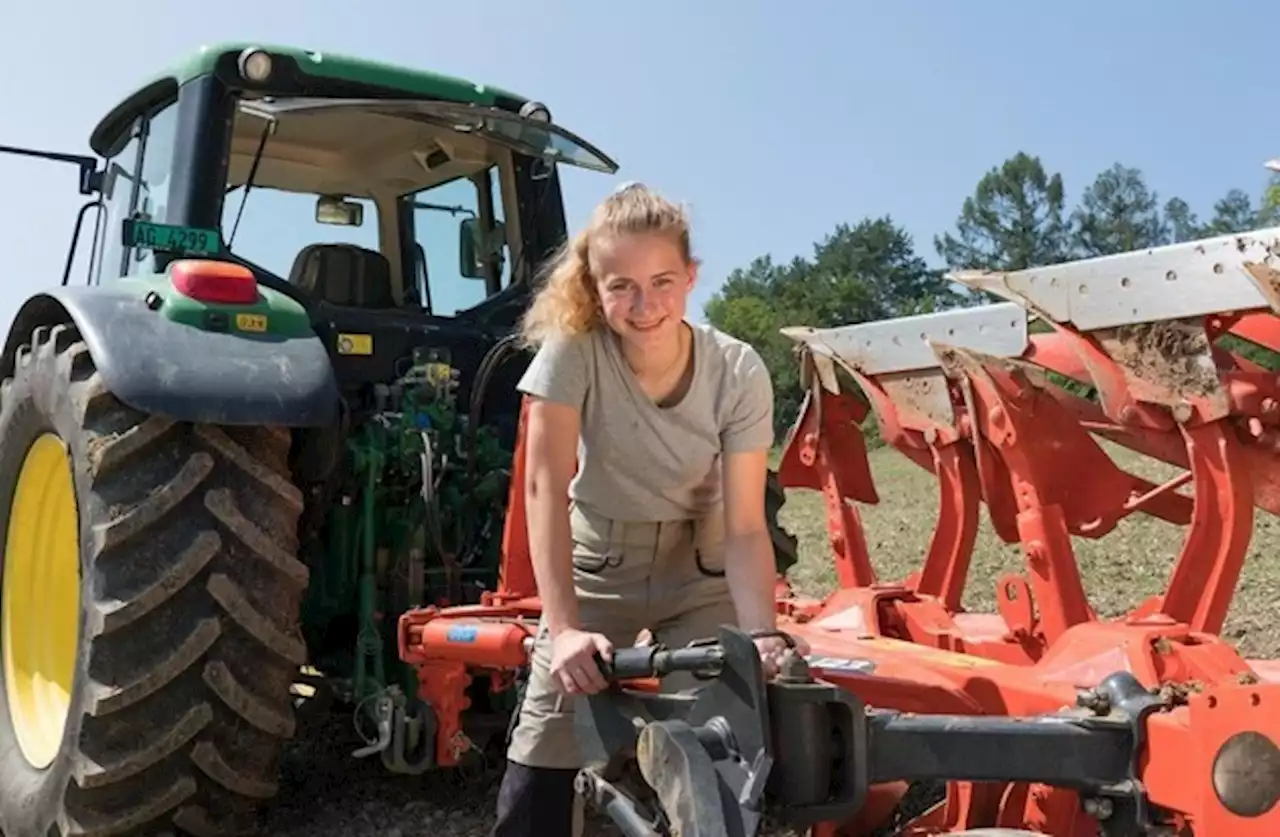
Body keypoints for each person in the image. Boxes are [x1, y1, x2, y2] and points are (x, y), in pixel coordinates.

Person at [488, 181, 802, 837]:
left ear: (690, 277)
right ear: (595, 288)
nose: (644, 303)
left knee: (724, 746)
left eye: (662, 280)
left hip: (703, 567)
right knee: (541, 757)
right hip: (601, 563)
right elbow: (544, 489)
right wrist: (566, 628)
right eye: (621, 285)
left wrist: (762, 632)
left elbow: (745, 523)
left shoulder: (737, 370)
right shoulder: (573, 354)